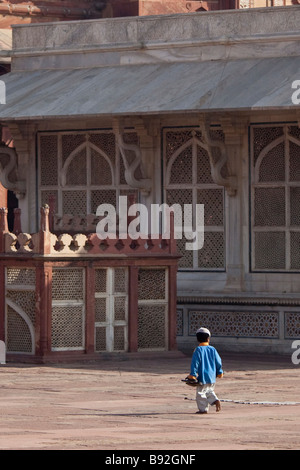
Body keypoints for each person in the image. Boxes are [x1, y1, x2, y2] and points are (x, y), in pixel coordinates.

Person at [184, 327, 223, 414]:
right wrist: (219, 372)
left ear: (197, 339)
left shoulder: (198, 350)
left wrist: (192, 375)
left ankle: (203, 409)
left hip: (203, 376)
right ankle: (215, 400)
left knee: (200, 393)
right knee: (209, 390)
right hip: (212, 376)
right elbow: (218, 361)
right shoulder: (213, 349)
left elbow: (195, 363)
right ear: (208, 339)